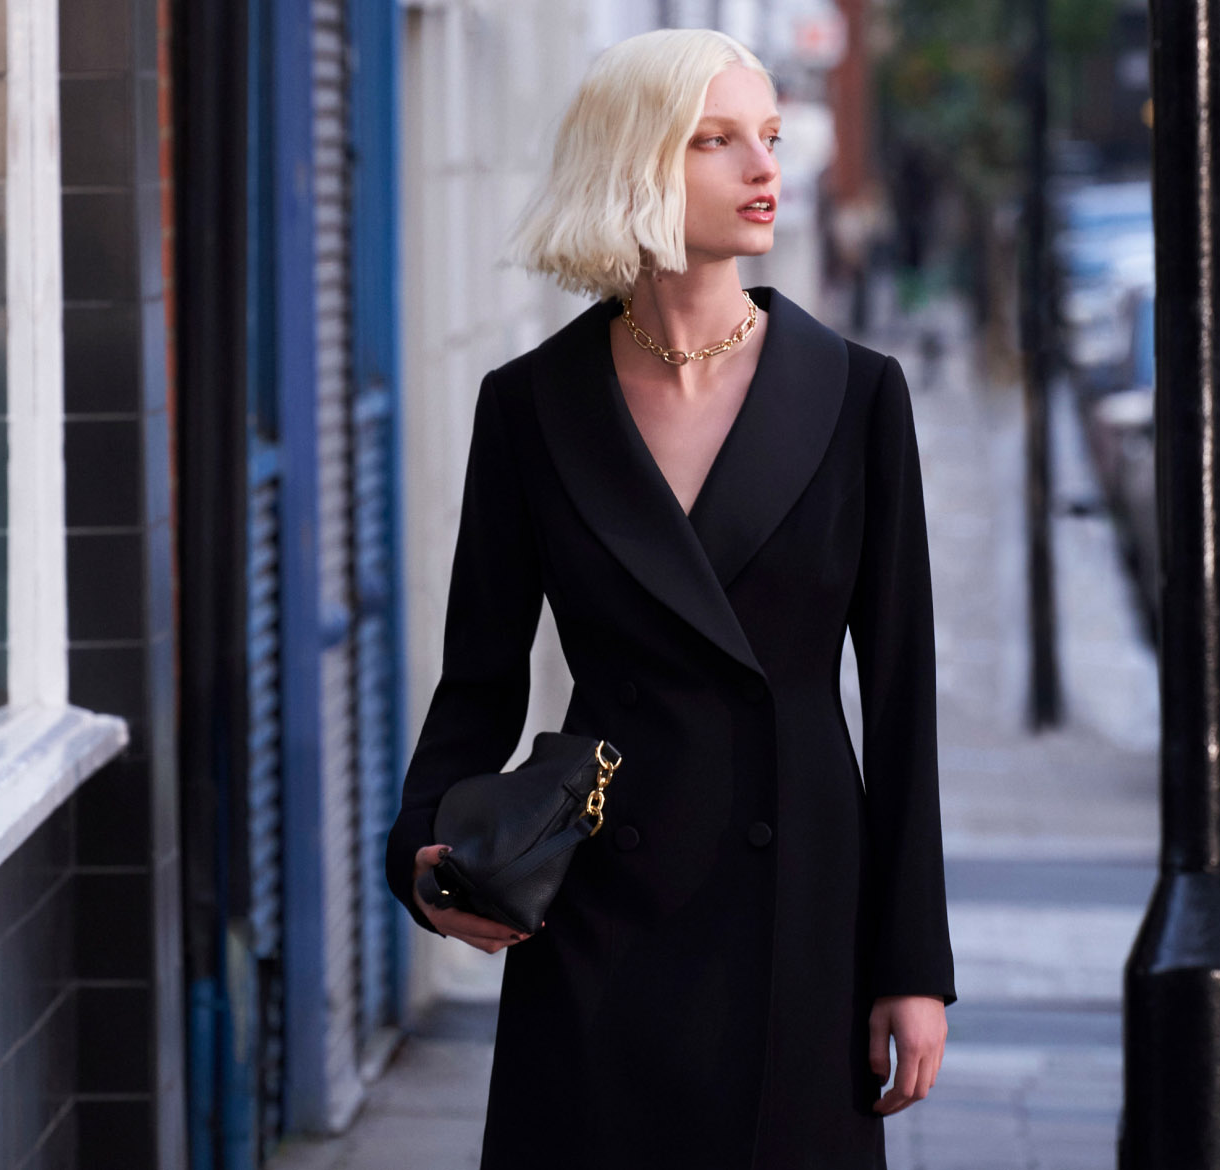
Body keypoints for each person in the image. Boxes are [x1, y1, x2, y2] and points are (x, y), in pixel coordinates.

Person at [384, 28, 954, 1169]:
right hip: (598, 905)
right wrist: (421, 853)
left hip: (796, 912)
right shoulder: (531, 406)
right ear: (635, 161)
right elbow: (479, 679)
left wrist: (911, 968)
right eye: (717, 140)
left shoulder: (855, 396)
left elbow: (900, 705)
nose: (764, 170)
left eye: (772, 138)